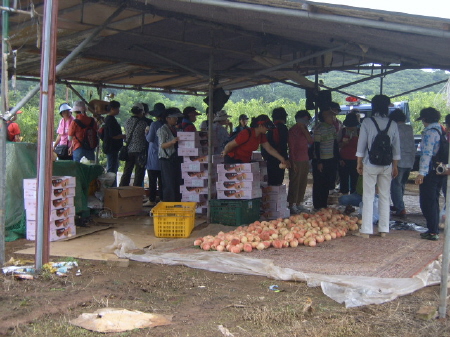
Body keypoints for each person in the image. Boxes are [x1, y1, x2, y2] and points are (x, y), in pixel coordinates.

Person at [354, 94, 400, 239]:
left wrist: (359, 163)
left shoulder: (367, 122)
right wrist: (395, 166)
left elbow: (361, 145)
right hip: (387, 165)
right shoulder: (393, 124)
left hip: (370, 163)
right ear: (387, 107)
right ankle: (384, 229)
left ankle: (366, 230)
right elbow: (396, 148)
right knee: (385, 196)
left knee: (368, 196)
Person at [415, 107, 446, 241]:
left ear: (425, 119)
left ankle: (433, 231)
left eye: (422, 120)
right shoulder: (441, 130)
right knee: (433, 199)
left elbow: (426, 154)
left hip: (430, 171)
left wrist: (421, 173)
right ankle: (433, 228)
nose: (423, 123)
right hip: (440, 170)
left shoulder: (430, 133)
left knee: (427, 201)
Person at [222, 114, 289, 167]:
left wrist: (282, 159)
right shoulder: (246, 133)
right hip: (234, 160)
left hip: (245, 161)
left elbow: (269, 149)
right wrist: (225, 155)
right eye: (266, 127)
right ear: (260, 126)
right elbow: (229, 145)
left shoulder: (261, 135)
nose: (268, 129)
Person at [311, 108, 340, 210]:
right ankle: (317, 205)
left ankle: (324, 204)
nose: (332, 118)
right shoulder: (318, 128)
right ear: (324, 118)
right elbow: (317, 145)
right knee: (319, 183)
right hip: (321, 160)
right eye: (329, 116)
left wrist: (337, 158)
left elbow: (335, 144)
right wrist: (319, 161)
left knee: (327, 182)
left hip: (330, 159)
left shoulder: (332, 128)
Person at [389, 109, 415, 218]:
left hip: (399, 160)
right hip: (410, 160)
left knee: (396, 184)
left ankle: (400, 208)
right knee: (402, 184)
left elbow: (392, 145)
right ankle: (398, 204)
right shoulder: (409, 128)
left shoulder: (394, 128)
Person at [287, 110, 313, 214]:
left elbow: (310, 141)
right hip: (296, 159)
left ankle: (299, 203)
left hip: (305, 158)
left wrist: (304, 129)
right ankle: (291, 204)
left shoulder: (305, 129)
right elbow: (291, 147)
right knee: (295, 182)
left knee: (303, 181)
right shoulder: (293, 130)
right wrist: (292, 162)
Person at [157, 108, 184, 202]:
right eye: (174, 118)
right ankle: (169, 203)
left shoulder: (175, 129)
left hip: (175, 158)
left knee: (177, 181)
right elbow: (162, 145)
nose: (176, 119)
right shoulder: (162, 130)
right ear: (168, 118)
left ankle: (177, 201)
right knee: (169, 183)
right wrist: (172, 142)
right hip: (166, 159)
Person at [119, 103, 148, 187]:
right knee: (139, 173)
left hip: (129, 150)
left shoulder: (127, 121)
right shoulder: (143, 123)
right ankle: (136, 191)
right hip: (139, 150)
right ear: (142, 112)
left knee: (127, 171)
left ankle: (122, 189)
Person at [144, 104, 166, 207]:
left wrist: (146, 132)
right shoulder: (167, 124)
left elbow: (149, 139)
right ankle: (162, 198)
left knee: (152, 180)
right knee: (162, 180)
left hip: (153, 155)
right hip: (164, 155)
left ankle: (152, 199)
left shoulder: (154, 124)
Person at [262, 107, 289, 186]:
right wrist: (285, 159)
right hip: (279, 159)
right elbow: (283, 145)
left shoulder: (270, 128)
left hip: (269, 160)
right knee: (277, 183)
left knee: (270, 183)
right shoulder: (283, 128)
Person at [101, 100, 125, 187]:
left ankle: (112, 186)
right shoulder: (110, 120)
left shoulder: (109, 119)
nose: (119, 111)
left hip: (111, 147)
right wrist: (123, 136)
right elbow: (113, 135)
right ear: (112, 109)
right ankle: (110, 187)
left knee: (113, 167)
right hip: (111, 147)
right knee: (112, 169)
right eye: (117, 109)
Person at [338, 112, 360, 194]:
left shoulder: (359, 131)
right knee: (344, 179)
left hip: (356, 159)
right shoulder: (342, 131)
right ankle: (344, 196)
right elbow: (336, 145)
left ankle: (353, 196)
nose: (351, 128)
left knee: (355, 180)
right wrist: (343, 144)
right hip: (344, 159)